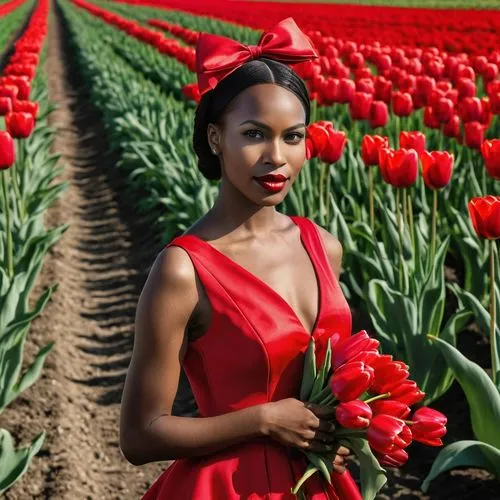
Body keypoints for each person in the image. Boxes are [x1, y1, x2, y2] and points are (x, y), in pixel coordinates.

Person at [120, 17, 362, 500]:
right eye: (254, 134)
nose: (277, 156)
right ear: (216, 139)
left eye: (293, 136)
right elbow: (140, 435)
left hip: (318, 484)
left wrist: (347, 429)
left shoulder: (323, 246)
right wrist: (265, 420)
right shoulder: (184, 269)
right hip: (229, 487)